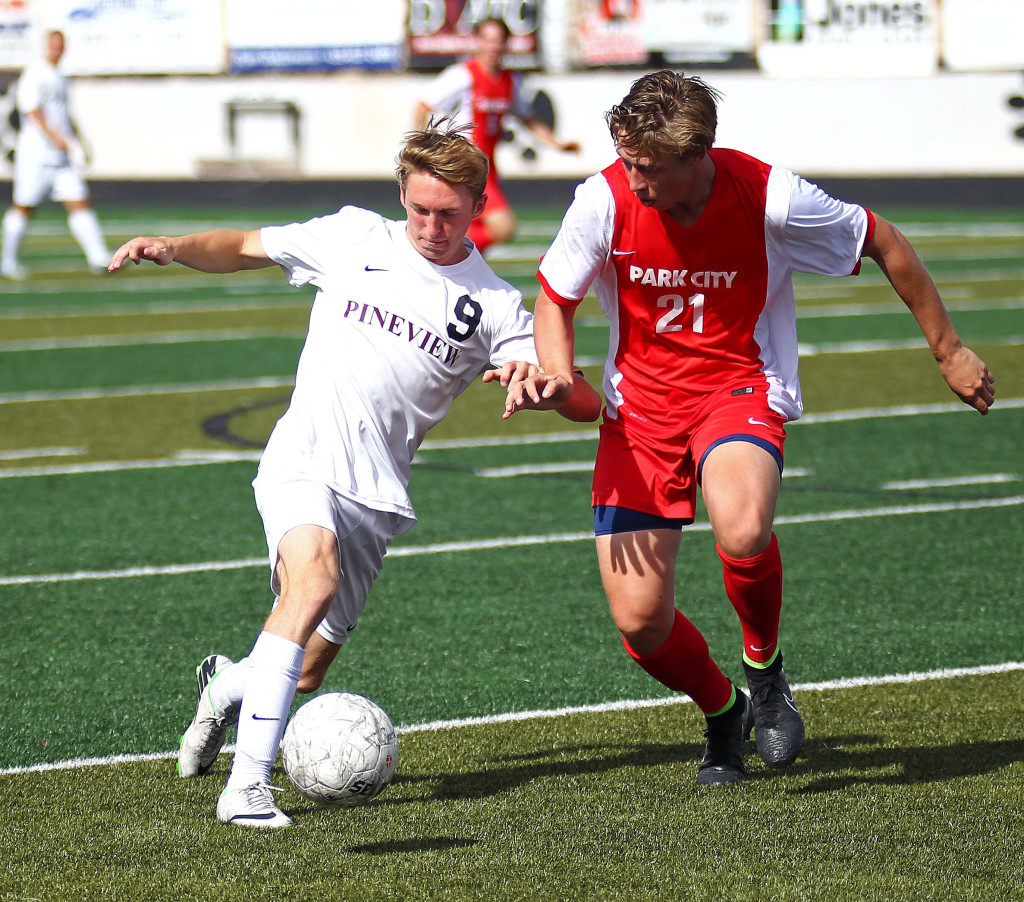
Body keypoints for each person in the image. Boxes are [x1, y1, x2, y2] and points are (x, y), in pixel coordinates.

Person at [108, 121, 601, 828]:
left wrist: (551, 387)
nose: (432, 225)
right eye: (420, 208)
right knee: (314, 579)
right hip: (303, 454)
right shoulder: (354, 236)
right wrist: (174, 248)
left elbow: (577, 395)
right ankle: (247, 789)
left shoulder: (493, 305)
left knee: (305, 668)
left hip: (378, 493)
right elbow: (247, 245)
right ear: (401, 194)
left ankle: (225, 684)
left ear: (480, 205)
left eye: (450, 213)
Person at [507, 71, 995, 785]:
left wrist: (949, 351)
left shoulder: (771, 196)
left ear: (696, 154)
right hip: (637, 414)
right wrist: (555, 370)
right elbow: (555, 298)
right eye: (627, 159)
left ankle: (764, 672)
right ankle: (723, 709)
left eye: (649, 167)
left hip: (738, 389)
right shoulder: (602, 200)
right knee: (641, 627)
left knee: (741, 528)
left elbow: (883, 241)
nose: (633, 177)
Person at [415, 17, 580, 255]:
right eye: (488, 40)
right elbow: (422, 106)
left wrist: (557, 144)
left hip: (488, 168)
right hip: (466, 167)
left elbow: (528, 117)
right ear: (477, 42)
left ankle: (454, 261)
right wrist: (423, 148)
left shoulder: (510, 81)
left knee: (474, 234)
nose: (493, 47)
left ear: (507, 44)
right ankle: (440, 249)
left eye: (499, 41)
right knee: (504, 226)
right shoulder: (463, 76)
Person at [1, 29, 108, 280]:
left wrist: (79, 142)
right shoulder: (35, 74)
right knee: (24, 207)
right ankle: (7, 261)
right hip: (36, 155)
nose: (56, 49)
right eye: (52, 45)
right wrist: (54, 137)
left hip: (61, 157)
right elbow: (31, 111)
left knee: (80, 201)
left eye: (60, 45)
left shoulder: (61, 76)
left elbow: (66, 115)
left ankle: (99, 258)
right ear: (44, 46)